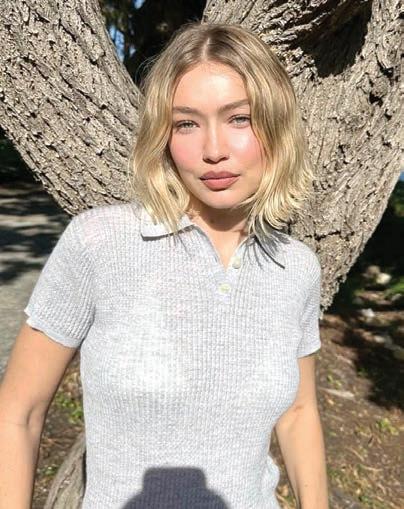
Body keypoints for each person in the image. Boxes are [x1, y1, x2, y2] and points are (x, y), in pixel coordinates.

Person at [0, 21, 329, 509]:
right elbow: (18, 413)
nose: (213, 150)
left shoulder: (296, 267)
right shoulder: (100, 244)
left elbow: (299, 412)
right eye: (186, 124)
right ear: (163, 135)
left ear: (277, 125)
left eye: (239, 118)